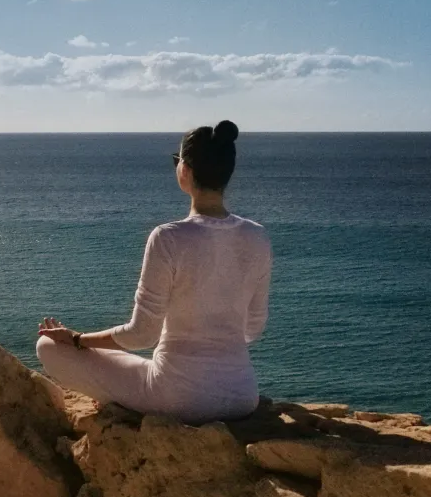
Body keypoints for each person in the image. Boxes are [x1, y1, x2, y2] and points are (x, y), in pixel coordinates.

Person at [35, 120, 272, 424]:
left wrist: (78, 339)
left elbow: (141, 335)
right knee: (138, 363)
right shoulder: (257, 236)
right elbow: (252, 329)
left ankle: (123, 405)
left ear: (184, 170)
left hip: (178, 398)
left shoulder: (168, 237)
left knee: (48, 347)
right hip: (242, 396)